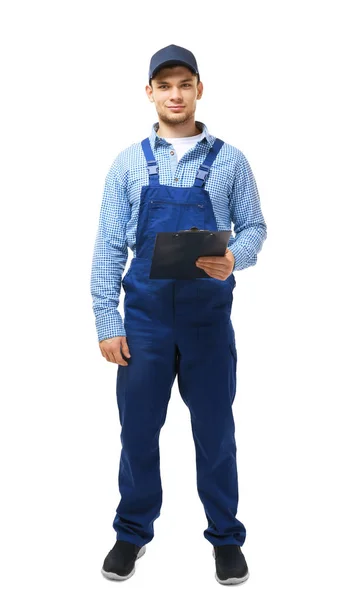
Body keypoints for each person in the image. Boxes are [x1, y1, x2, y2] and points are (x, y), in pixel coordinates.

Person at [90, 44, 267, 585]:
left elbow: (256, 226)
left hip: (207, 321)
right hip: (143, 322)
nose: (174, 94)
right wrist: (107, 322)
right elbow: (106, 248)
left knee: (216, 432)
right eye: (163, 85)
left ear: (199, 89)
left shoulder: (230, 160)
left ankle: (225, 538)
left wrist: (236, 255)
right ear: (150, 92)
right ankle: (131, 532)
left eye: (183, 84)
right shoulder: (128, 163)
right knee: (138, 432)